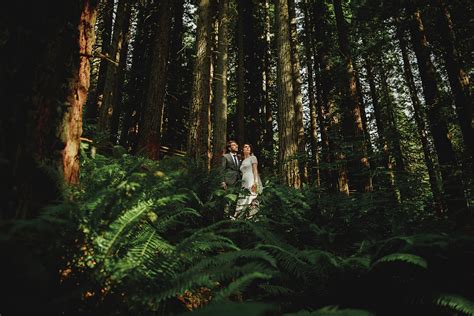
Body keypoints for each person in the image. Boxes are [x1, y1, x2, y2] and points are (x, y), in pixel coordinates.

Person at [233, 143, 263, 220]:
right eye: (245, 147)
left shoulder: (253, 157)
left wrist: (255, 182)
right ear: (242, 150)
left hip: (251, 179)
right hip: (244, 181)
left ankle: (252, 218)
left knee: (251, 197)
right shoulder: (242, 161)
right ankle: (240, 217)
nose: (247, 148)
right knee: (243, 197)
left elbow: (255, 170)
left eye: (249, 147)